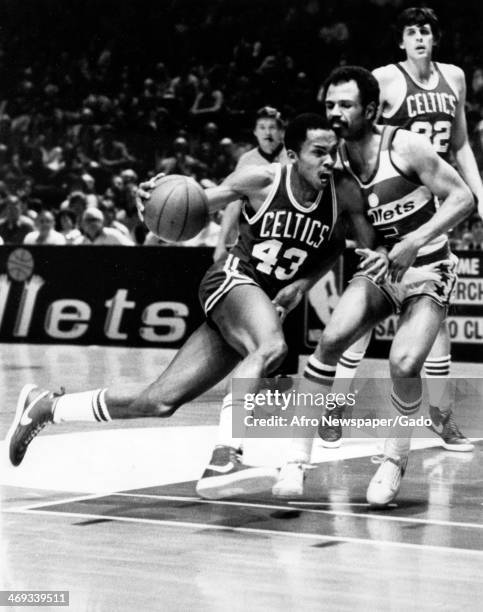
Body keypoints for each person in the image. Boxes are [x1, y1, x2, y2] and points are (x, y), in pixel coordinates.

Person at [6, 114, 367, 502]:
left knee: (159, 400)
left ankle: (48, 407)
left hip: (260, 302)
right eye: (319, 152)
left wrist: (302, 284)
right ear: (293, 155)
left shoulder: (342, 193)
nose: (330, 160)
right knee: (272, 348)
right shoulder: (263, 179)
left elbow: (334, 248)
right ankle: (225, 457)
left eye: (333, 152)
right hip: (232, 280)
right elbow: (195, 200)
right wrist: (156, 196)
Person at [274, 66, 473, 506]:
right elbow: (360, 229)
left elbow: (463, 198)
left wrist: (413, 241)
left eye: (345, 105)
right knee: (329, 342)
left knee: (403, 364)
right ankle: (294, 460)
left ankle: (394, 458)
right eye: (330, 105)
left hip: (430, 265)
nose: (336, 113)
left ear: (369, 108)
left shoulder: (406, 146)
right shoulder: (336, 163)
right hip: (383, 268)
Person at [323, 7, 483, 452]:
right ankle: (336, 407)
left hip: (429, 196)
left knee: (435, 323)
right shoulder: (384, 79)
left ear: (435, 38)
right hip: (383, 196)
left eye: (425, 31)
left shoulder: (454, 77)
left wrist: (480, 192)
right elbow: (356, 129)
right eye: (410, 32)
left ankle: (441, 416)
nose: (418, 38)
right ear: (401, 41)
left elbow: (461, 143)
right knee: (361, 320)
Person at [213, 106, 289, 262]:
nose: (267, 133)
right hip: (256, 235)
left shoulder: (293, 156)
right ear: (255, 132)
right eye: (262, 128)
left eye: (272, 127)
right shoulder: (247, 160)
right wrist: (221, 244)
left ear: (281, 131)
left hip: (289, 231)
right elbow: (234, 202)